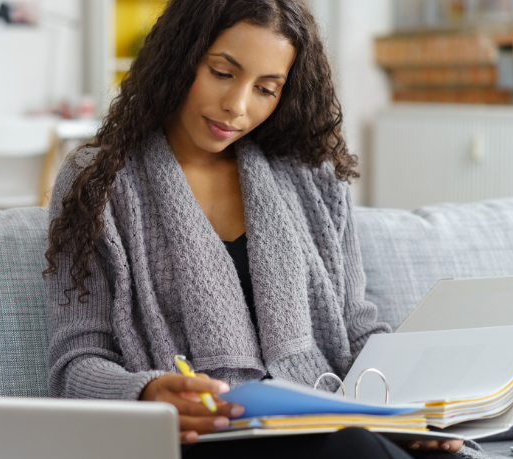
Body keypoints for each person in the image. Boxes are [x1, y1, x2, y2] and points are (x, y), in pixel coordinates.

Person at [44, 0, 479, 457]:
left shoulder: (312, 178)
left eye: (265, 89)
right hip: (209, 434)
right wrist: (146, 394)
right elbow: (76, 362)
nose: (236, 106)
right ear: (180, 56)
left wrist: (409, 407)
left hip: (327, 418)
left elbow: (354, 328)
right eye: (222, 73)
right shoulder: (98, 181)